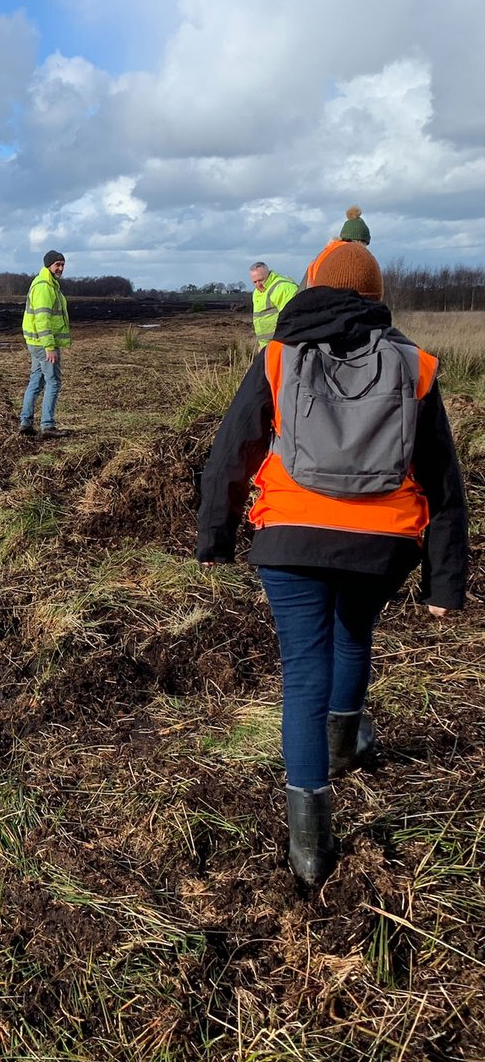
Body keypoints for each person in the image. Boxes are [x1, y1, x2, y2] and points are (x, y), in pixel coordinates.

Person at [196, 236, 468, 888]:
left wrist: (215, 535)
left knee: (304, 676)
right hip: (383, 545)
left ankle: (311, 850)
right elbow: (443, 481)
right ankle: (345, 746)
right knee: (354, 634)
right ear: (376, 298)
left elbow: (232, 451)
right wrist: (445, 580)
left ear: (313, 287)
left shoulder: (279, 358)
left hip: (290, 538)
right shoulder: (415, 366)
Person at [19, 249, 71, 437]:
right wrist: (49, 347)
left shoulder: (49, 284)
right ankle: (47, 426)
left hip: (37, 342)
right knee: (53, 382)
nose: (61, 268)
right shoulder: (44, 287)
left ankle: (26, 423)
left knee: (36, 380)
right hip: (43, 344)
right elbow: (42, 320)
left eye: (63, 264)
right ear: (48, 265)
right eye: (57, 264)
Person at [249, 262, 299, 349]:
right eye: (254, 282)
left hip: (284, 345)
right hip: (267, 346)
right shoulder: (256, 293)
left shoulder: (283, 288)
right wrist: (262, 345)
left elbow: (291, 319)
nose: (258, 285)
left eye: (261, 280)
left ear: (268, 275)